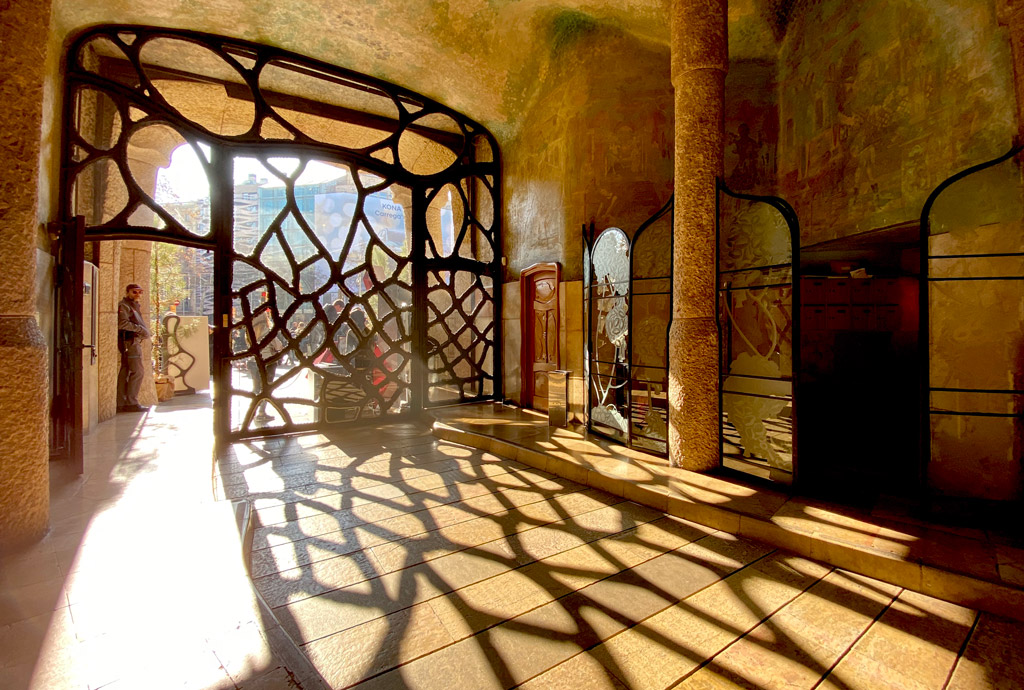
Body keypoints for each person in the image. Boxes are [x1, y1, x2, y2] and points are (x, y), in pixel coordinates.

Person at [117, 283, 151, 413]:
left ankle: (122, 402)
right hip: (129, 342)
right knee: (138, 371)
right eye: (134, 292)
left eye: (139, 292)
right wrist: (141, 329)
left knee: (126, 372)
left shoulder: (134, 306)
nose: (137, 295)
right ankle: (131, 402)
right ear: (127, 292)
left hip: (133, 341)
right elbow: (122, 323)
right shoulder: (124, 305)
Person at [248, 307, 286, 424]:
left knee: (256, 389)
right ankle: (261, 413)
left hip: (253, 362)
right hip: (267, 363)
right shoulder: (267, 332)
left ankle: (251, 413)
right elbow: (278, 346)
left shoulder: (250, 332)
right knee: (266, 389)